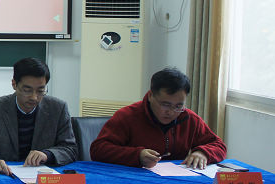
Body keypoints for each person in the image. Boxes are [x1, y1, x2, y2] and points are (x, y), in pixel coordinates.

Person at [90, 67, 226, 169]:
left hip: (175, 182)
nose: (171, 112)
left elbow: (219, 145)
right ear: (151, 96)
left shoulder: (189, 119)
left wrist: (203, 153)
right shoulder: (127, 116)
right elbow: (98, 150)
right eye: (165, 105)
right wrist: (137, 155)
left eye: (178, 106)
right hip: (133, 182)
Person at [0, 57, 77, 174]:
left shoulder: (58, 108)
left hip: (41, 176)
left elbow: (70, 149)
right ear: (14, 84)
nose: (34, 97)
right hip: (3, 175)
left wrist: (47, 155)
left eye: (40, 91)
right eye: (27, 90)